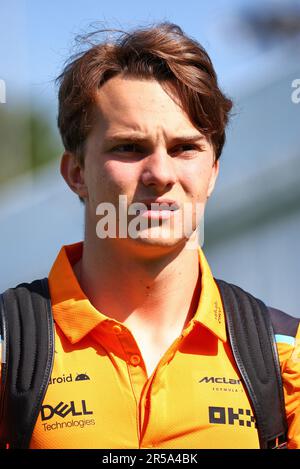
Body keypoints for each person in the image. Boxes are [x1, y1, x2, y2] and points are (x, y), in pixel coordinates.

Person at [1, 23, 299, 450]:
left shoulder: (284, 352)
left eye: (185, 148)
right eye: (129, 147)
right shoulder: (8, 348)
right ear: (76, 174)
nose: (160, 174)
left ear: (213, 173)